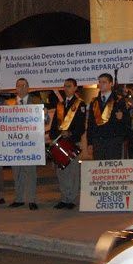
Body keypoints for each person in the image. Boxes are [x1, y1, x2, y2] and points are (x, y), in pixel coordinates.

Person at [5, 78, 43, 210]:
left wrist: (43, 116)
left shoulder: (36, 101)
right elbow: (2, 121)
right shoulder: (9, 104)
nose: (20, 88)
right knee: (17, 172)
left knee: (30, 172)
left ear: (28, 88)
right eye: (18, 86)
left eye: (23, 85)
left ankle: (31, 199)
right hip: (15, 143)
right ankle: (19, 198)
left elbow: (45, 119)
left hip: (31, 143)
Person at [50, 78, 86, 210]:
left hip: (72, 142)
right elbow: (55, 124)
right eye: (65, 86)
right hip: (60, 142)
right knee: (61, 171)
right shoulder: (60, 105)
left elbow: (81, 126)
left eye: (69, 86)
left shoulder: (80, 105)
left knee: (72, 171)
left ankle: (71, 198)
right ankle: (64, 197)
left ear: (75, 88)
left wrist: (70, 133)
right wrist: (53, 136)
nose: (66, 88)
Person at [87, 73, 128, 160]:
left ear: (111, 84)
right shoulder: (94, 102)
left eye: (104, 82)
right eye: (100, 82)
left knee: (112, 170)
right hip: (97, 141)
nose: (101, 84)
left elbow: (127, 121)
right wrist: (89, 143)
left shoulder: (119, 100)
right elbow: (90, 124)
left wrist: (122, 118)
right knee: (99, 170)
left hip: (113, 141)